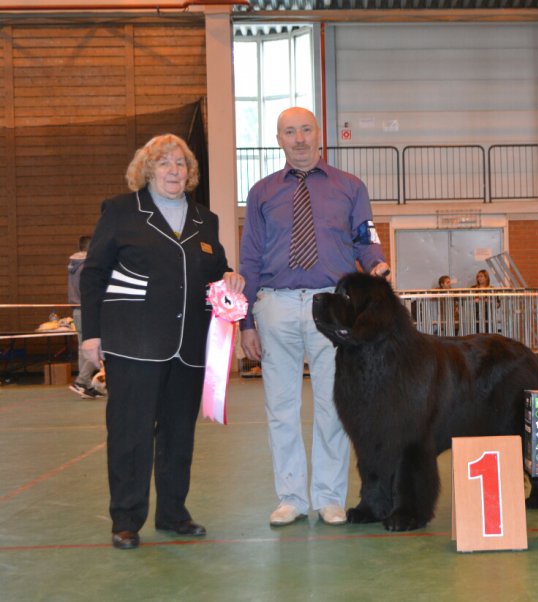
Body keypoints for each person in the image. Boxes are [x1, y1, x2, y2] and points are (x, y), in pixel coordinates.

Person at [80, 134, 245, 550]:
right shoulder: (121, 211)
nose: (175, 171)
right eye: (165, 163)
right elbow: (94, 273)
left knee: (178, 434)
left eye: (182, 164)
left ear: (190, 173)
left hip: (188, 346)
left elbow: (215, 268)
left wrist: (229, 278)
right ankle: (126, 519)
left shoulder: (206, 220)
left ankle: (174, 514)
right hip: (133, 342)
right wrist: (91, 334)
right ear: (147, 169)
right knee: (130, 432)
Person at [239, 107, 389, 528]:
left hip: (333, 305)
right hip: (276, 303)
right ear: (279, 139)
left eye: (306, 129)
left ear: (319, 134)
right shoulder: (261, 193)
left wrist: (376, 265)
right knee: (280, 406)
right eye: (290, 132)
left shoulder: (350, 187)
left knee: (333, 405)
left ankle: (329, 498)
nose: (299, 138)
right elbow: (250, 257)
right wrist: (246, 321)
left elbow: (366, 239)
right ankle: (290, 498)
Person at [67, 235, 104, 400]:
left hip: (77, 310)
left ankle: (86, 385)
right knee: (96, 345)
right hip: (87, 309)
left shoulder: (73, 265)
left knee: (84, 348)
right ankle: (82, 381)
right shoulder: (87, 266)